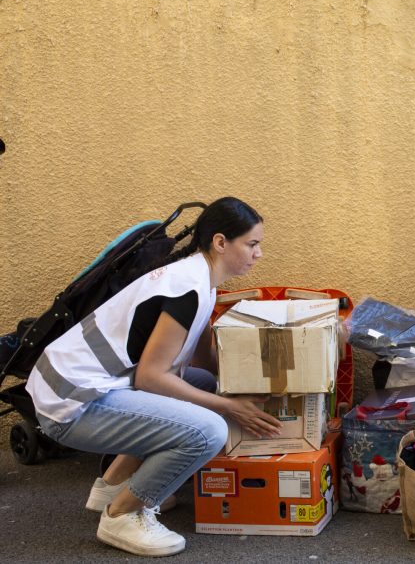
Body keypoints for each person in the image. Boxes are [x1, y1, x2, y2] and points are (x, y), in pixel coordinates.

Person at [26, 196, 283, 557]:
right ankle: (122, 515)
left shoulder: (200, 278)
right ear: (221, 242)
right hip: (72, 402)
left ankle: (112, 489)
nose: (258, 254)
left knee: (203, 386)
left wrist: (245, 383)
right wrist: (229, 406)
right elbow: (151, 377)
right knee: (208, 431)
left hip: (80, 384)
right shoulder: (188, 287)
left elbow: (198, 350)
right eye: (252, 245)